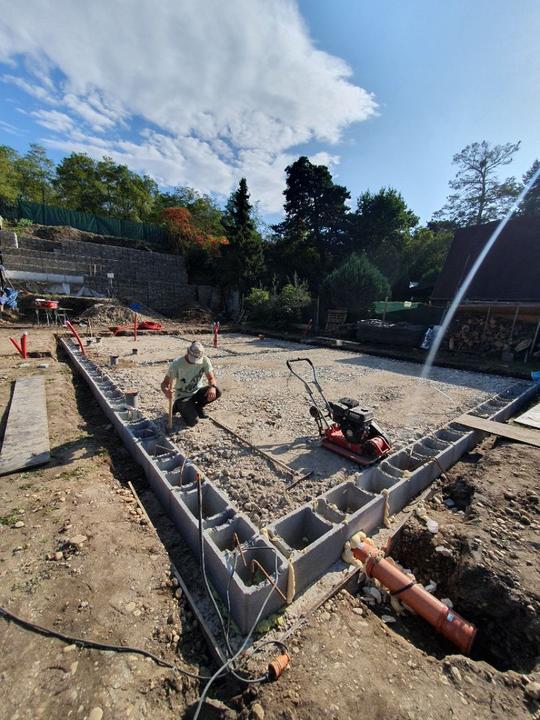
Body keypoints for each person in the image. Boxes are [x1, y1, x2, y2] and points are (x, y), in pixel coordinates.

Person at [161, 341, 221, 427]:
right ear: (187, 351)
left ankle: (198, 407)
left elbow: (211, 378)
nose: (194, 362)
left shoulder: (205, 360)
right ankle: (177, 406)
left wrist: (212, 387)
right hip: (183, 396)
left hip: (197, 392)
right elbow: (164, 383)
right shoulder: (177, 364)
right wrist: (166, 391)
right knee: (193, 422)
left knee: (217, 391)